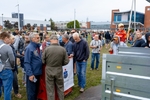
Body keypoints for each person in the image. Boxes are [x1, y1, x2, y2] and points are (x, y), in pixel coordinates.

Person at [42, 35, 69, 100]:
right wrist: (60, 64)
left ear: (51, 40)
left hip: (49, 70)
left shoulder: (46, 49)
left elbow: (43, 61)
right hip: (59, 69)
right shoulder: (62, 49)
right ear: (57, 40)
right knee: (60, 87)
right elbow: (66, 61)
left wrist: (48, 63)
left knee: (50, 88)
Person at [24, 32, 42, 100]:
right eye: (37, 38)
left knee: (36, 90)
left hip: (37, 72)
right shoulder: (29, 48)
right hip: (33, 74)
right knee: (31, 92)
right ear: (33, 39)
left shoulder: (37, 46)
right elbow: (27, 62)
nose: (39, 39)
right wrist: (30, 74)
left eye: (39, 37)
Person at [0, 32, 15, 100]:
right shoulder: (7, 47)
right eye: (9, 38)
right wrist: (13, 67)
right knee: (7, 90)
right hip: (6, 69)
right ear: (5, 38)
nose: (9, 40)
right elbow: (12, 60)